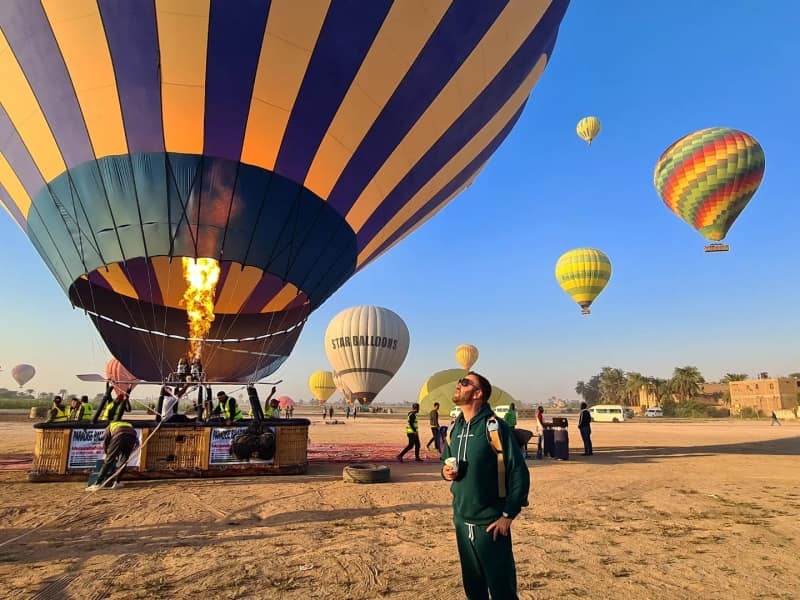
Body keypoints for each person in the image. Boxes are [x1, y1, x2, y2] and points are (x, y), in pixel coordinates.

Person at [442, 372, 529, 600]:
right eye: (460, 381)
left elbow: (518, 471)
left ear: (478, 393)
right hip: (462, 520)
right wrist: (446, 471)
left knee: (502, 589)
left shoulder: (495, 428)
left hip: (490, 524)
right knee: (473, 588)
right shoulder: (454, 429)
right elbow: (446, 459)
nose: (458, 385)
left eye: (465, 382)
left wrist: (508, 514)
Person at [90, 420, 139, 489]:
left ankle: (97, 483)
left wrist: (108, 454)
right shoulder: (128, 425)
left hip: (119, 435)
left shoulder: (110, 426)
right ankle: (117, 482)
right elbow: (137, 443)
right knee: (123, 461)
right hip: (132, 436)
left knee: (109, 460)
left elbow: (106, 442)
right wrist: (128, 453)